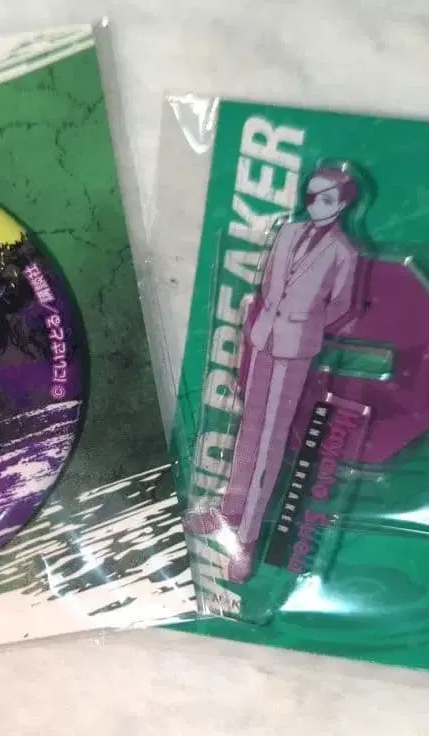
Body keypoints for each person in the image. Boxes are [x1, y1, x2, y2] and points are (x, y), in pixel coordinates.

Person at [188, 166, 360, 581]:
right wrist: (266, 322)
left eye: (325, 199)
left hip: (295, 348)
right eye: (311, 196)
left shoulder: (344, 252)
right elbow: (268, 284)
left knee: (271, 441)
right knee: (248, 432)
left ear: (343, 204)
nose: (315, 205)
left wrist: (304, 326)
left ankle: (246, 538)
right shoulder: (287, 233)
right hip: (263, 336)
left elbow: (340, 306)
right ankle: (229, 511)